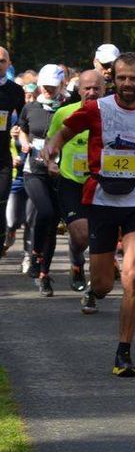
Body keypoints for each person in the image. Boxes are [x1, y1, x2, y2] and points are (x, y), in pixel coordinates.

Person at [45, 52, 135, 377]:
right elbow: (64, 132)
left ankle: (124, 352)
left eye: (133, 78)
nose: (127, 84)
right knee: (105, 283)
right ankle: (96, 285)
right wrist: (52, 148)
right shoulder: (96, 109)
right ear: (114, 79)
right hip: (101, 200)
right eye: (121, 78)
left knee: (133, 277)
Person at [48, 69, 104, 302]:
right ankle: (77, 263)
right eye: (87, 88)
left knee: (99, 237)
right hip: (72, 181)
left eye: (96, 88)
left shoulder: (112, 113)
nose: (91, 92)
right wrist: (51, 161)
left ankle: (93, 288)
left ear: (105, 89)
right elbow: (53, 141)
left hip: (103, 182)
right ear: (78, 90)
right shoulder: (64, 113)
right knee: (81, 236)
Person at [19, 64, 66, 296]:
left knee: (52, 223)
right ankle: (36, 255)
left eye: (52, 87)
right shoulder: (30, 107)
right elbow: (22, 129)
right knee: (45, 213)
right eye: (44, 86)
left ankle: (44, 275)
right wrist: (24, 142)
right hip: (34, 170)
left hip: (59, 172)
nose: (48, 90)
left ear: (61, 86)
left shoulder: (67, 108)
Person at [0, 46, 27, 248]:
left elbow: (24, 120)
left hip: (3, 157)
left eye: (2, 61)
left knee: (1, 201)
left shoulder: (15, 90)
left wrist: (19, 130)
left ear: (9, 64)